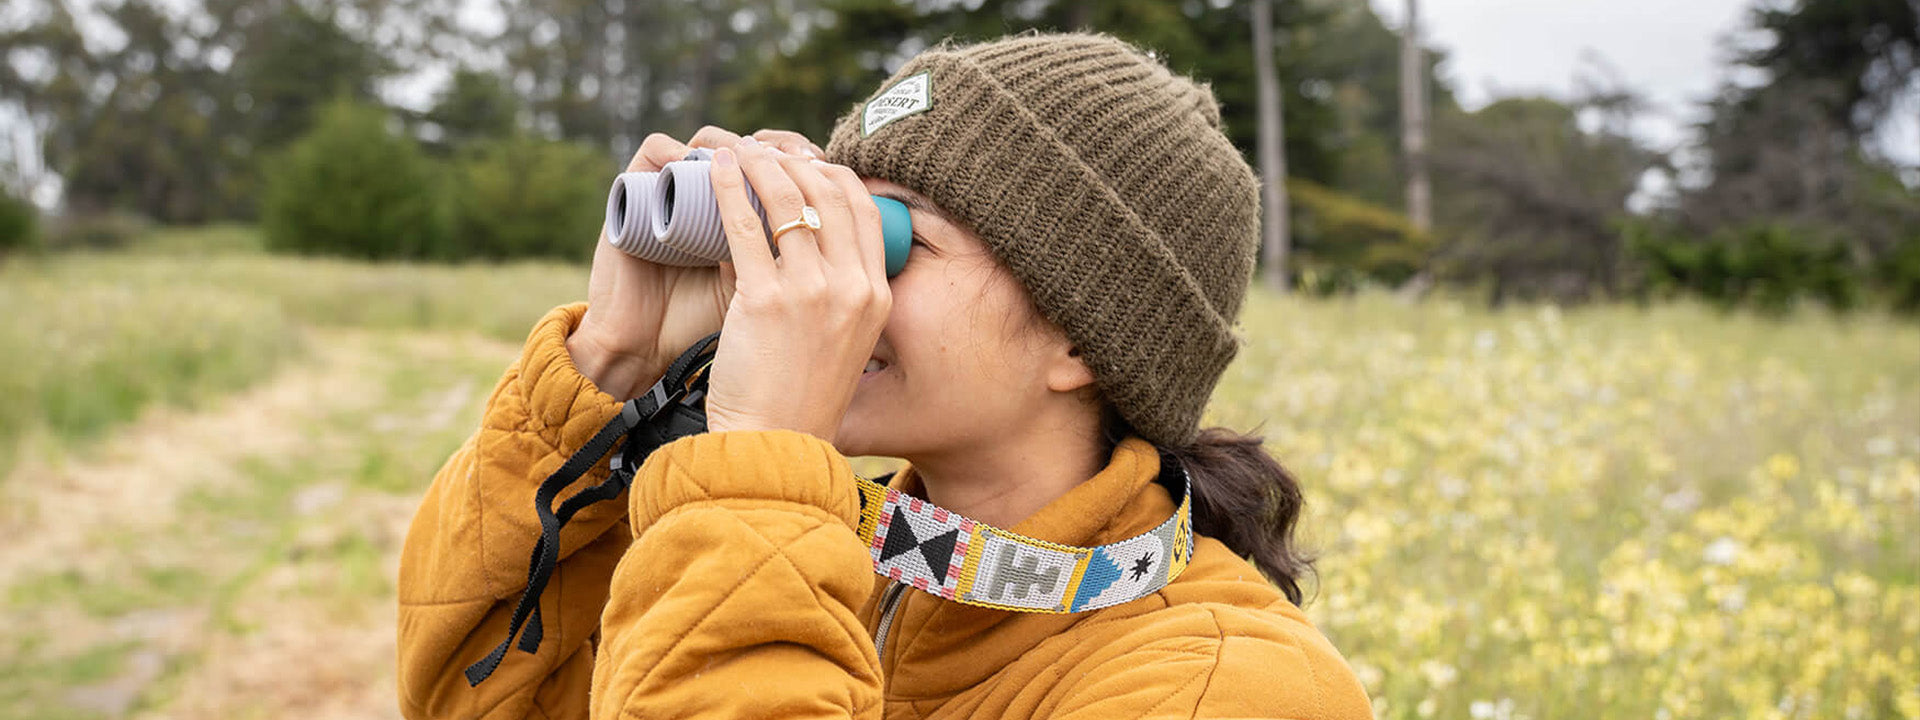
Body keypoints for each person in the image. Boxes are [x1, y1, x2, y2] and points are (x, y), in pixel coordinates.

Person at [397, 32, 1372, 719]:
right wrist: (613, 356)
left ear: (1078, 341)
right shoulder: (869, 564)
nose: (839, 274)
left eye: (894, 233)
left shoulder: (1229, 688)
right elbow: (472, 699)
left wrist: (756, 463)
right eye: (837, 212)